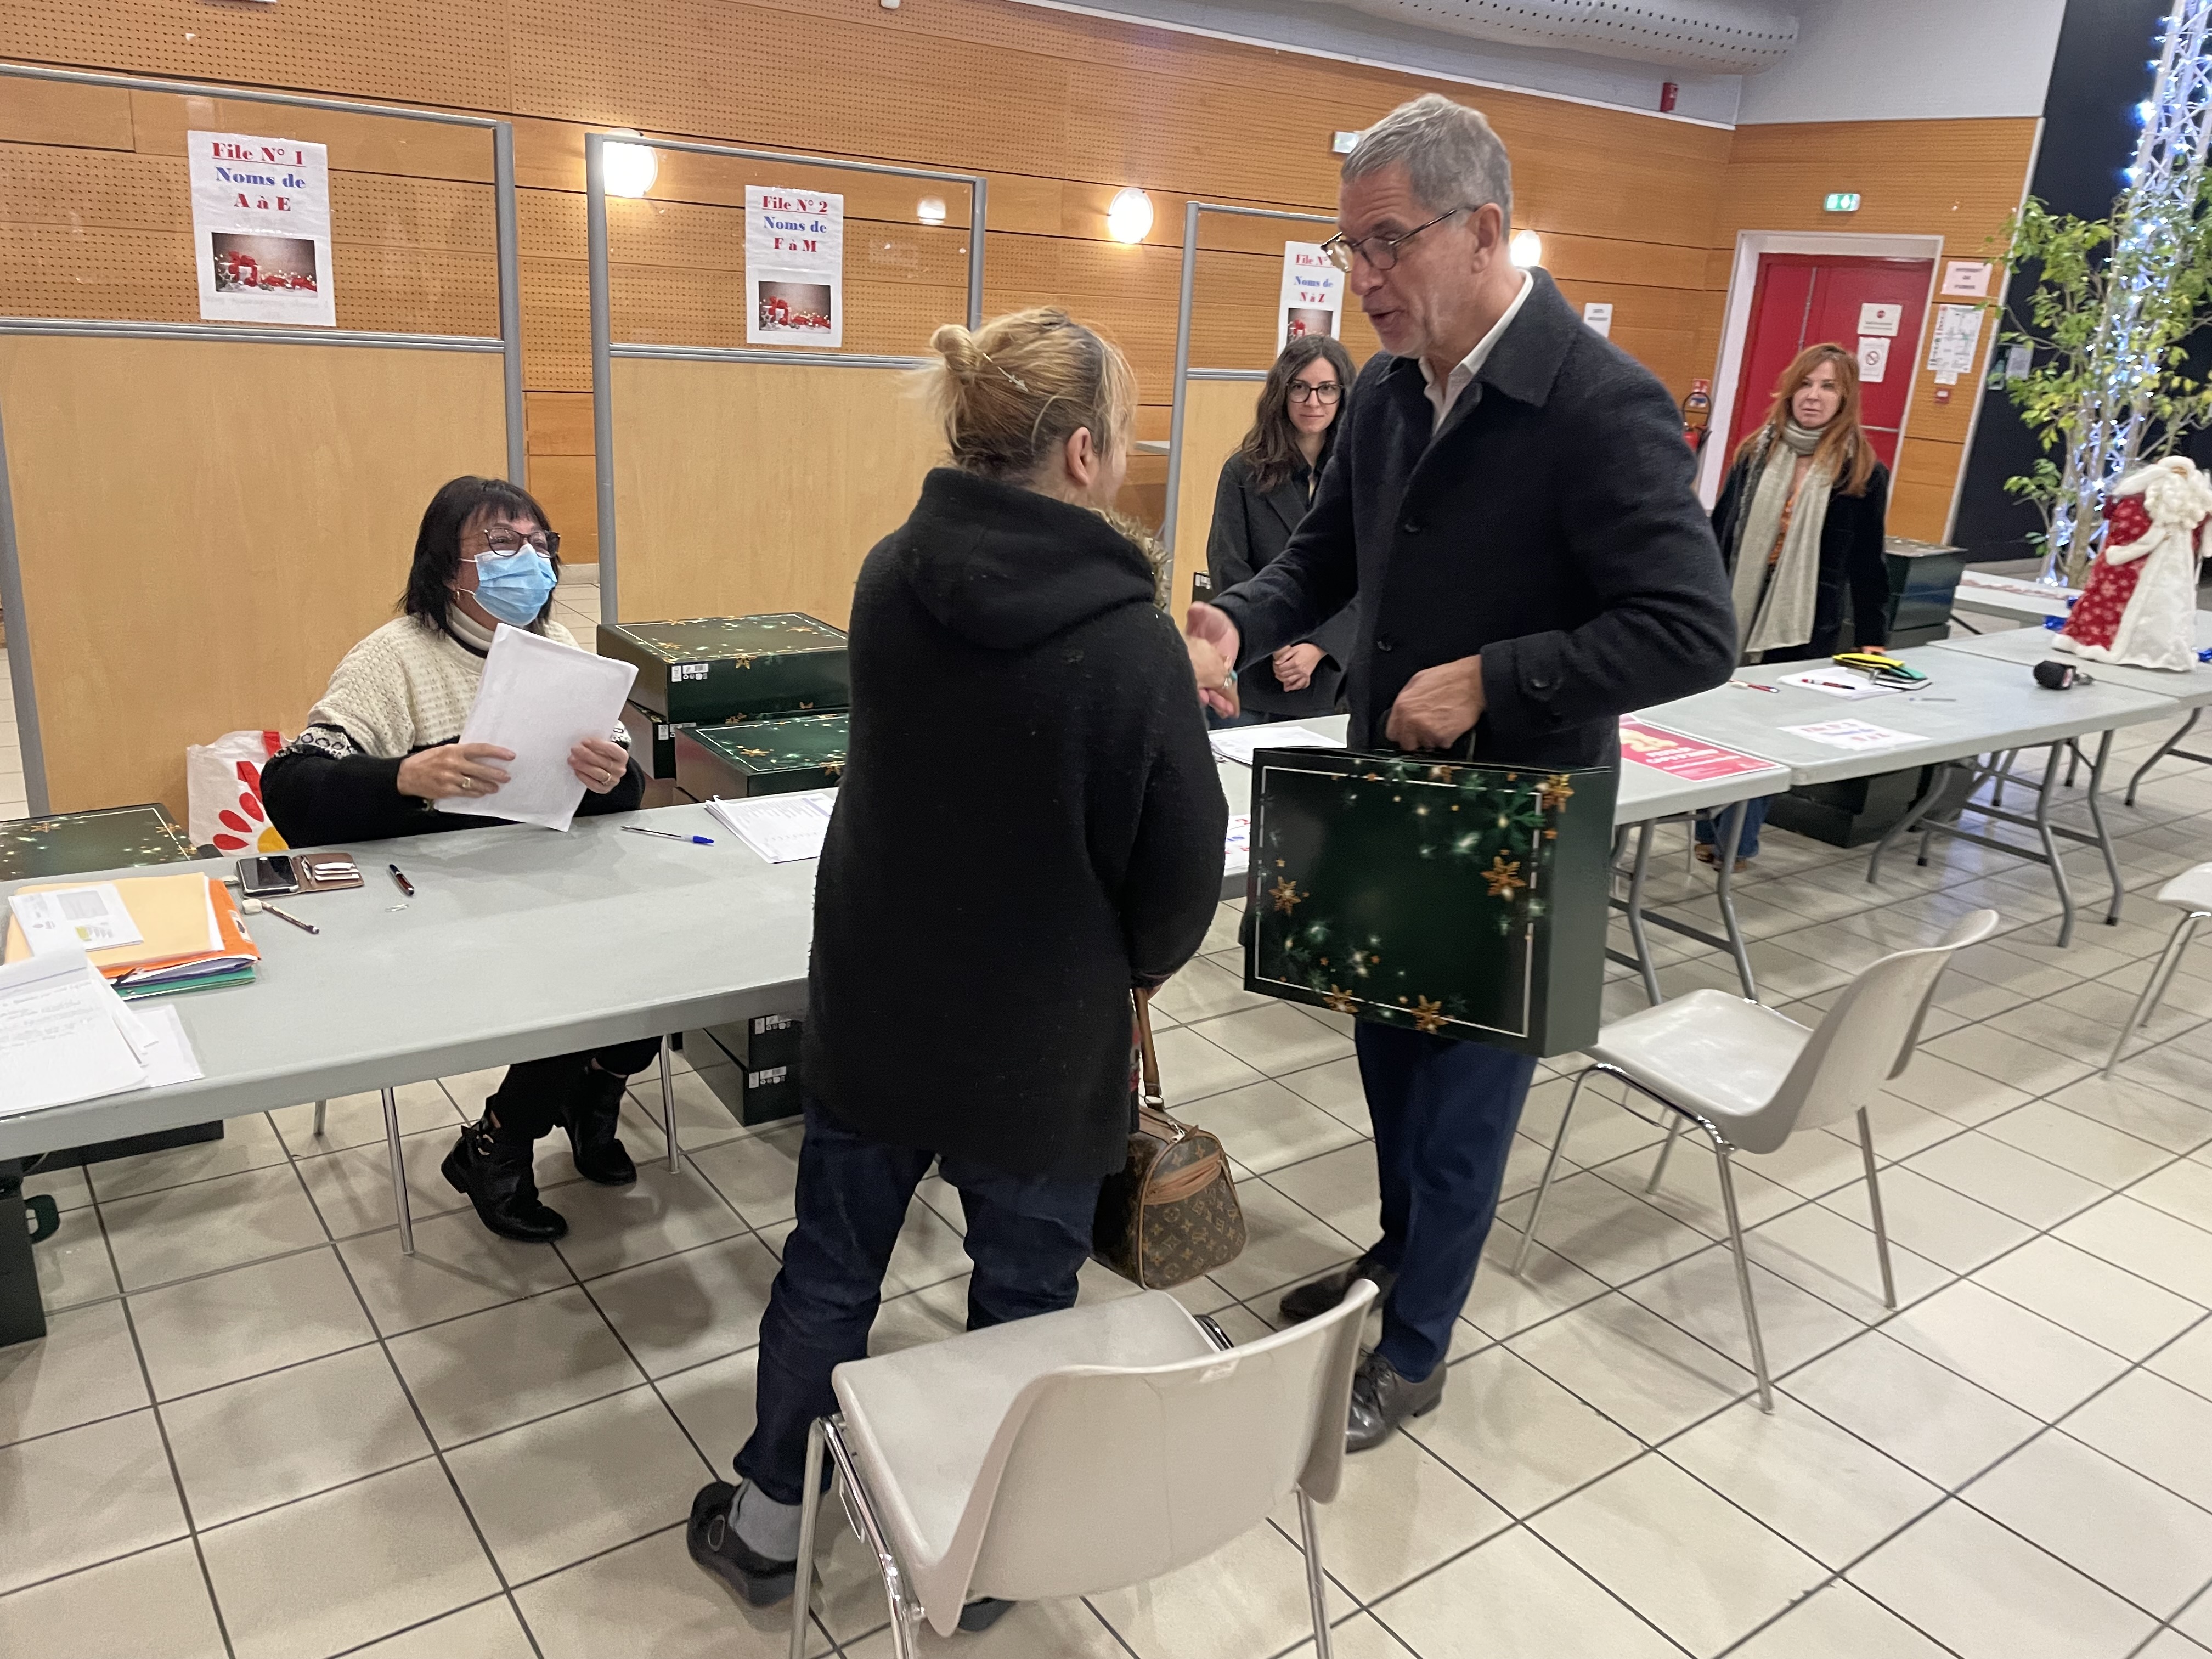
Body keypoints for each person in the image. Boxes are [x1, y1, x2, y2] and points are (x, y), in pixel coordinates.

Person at [1185, 94, 1735, 1451]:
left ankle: (1418, 1346)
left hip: (1519, 820)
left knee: (1462, 1106)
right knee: (1388, 1065)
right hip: (1390, 799)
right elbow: (1332, 561)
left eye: (1387, 245)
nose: (1361, 280)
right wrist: (1239, 618)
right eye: (1348, 252)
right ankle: (1397, 1263)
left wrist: (1499, 676)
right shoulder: (1382, 391)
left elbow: (1691, 629)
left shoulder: (1601, 404)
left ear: (1484, 228)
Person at [688, 309, 1228, 1617]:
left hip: (880, 1001)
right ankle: (982, 1553)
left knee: (830, 1270)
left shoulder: (888, 575)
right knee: (1025, 1295)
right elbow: (1181, 867)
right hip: (1043, 1041)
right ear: (1086, 453)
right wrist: (1134, 968)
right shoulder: (1134, 642)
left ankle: (770, 1523)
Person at [261, 475, 657, 1244]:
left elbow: (619, 795)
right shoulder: (392, 659)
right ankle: (498, 1143)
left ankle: (592, 1094)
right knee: (577, 980)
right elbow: (293, 788)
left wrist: (614, 775)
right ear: (448, 566)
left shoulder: (558, 649)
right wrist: (405, 776)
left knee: (654, 964)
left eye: (541, 545)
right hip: (429, 896)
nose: (530, 561)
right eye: (502, 545)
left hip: (537, 874)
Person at [1695, 342, 1892, 868]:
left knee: (1763, 732)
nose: (1813, 396)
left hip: (1801, 624)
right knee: (1713, 719)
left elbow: (1868, 564)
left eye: (1828, 387)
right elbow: (1718, 536)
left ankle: (1737, 839)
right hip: (1732, 610)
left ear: (1845, 397)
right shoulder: (1755, 452)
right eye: (1806, 384)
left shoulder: (1862, 471)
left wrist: (1874, 639)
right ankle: (1706, 822)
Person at [1206, 334, 1361, 724]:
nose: (1313, 402)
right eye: (1300, 388)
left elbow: (1370, 574)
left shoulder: (1362, 475)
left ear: (1343, 395)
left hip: (1329, 676)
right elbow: (1228, 564)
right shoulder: (1243, 471)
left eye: (1327, 389)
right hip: (1257, 670)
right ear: (1282, 392)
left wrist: (1319, 648)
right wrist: (1275, 638)